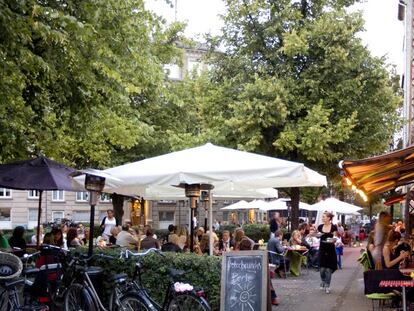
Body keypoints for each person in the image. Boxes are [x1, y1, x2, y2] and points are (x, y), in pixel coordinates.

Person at [317, 212, 338, 294]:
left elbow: (335, 237)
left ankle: (327, 285)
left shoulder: (333, 227)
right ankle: (323, 280)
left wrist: (333, 239)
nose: (322, 218)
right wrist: (317, 235)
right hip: (322, 249)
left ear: (329, 218)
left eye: (324, 217)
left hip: (330, 250)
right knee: (322, 269)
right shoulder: (320, 227)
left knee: (328, 269)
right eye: (322, 217)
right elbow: (318, 235)